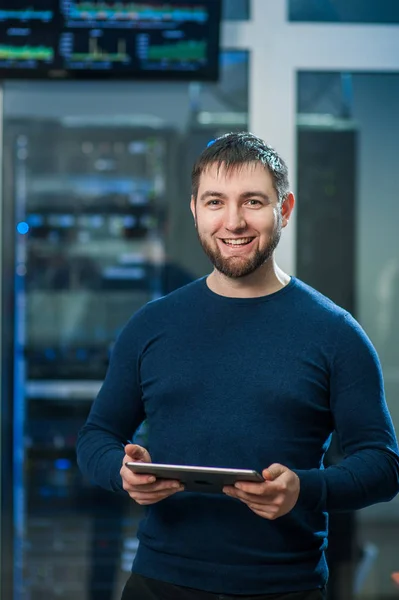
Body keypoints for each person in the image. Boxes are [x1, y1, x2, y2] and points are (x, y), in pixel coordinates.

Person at [77, 132, 399, 600]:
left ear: (284, 209)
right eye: (215, 201)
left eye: (252, 201)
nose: (233, 221)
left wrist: (303, 490)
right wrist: (120, 472)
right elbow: (96, 437)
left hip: (283, 587)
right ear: (194, 210)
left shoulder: (336, 333)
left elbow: (383, 466)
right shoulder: (151, 325)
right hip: (158, 583)